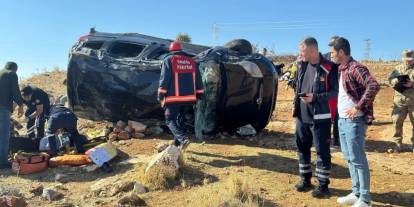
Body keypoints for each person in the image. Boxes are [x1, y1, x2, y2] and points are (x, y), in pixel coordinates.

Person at [330, 37, 380, 207]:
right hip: (343, 120)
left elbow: (373, 85)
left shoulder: (355, 68)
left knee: (358, 159)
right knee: (349, 158)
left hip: (354, 121)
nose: (331, 56)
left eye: (332, 53)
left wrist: (358, 107)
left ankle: (365, 199)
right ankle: (356, 192)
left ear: (341, 52)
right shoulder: (342, 69)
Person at [292, 37, 338, 198]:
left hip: (320, 118)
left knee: (322, 151)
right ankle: (305, 180)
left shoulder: (329, 67)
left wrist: (315, 97)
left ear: (312, 51)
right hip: (302, 116)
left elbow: (335, 92)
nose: (300, 54)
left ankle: (323, 185)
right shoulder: (301, 64)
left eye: (302, 51)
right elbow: (298, 85)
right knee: (302, 148)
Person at [158, 41, 204, 150]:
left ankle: (183, 139)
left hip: (173, 98)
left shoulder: (169, 60)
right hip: (189, 98)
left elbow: (164, 79)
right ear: (181, 50)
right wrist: (199, 94)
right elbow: (198, 79)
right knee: (180, 120)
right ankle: (177, 145)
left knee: (170, 119)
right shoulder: (192, 62)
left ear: (171, 50)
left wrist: (161, 94)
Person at [388, 49, 414, 153]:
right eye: (406, 59)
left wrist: (412, 84)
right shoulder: (397, 69)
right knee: (397, 122)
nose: (408, 61)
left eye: (411, 59)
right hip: (400, 102)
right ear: (403, 58)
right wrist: (396, 81)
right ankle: (397, 144)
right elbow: (390, 79)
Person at [0, 62, 24, 169]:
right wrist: (20, 104)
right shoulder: (11, 74)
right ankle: (2, 162)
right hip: (2, 107)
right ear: (15, 69)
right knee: (4, 135)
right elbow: (15, 91)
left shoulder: (1, 73)